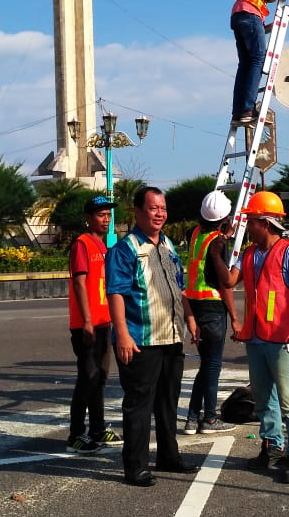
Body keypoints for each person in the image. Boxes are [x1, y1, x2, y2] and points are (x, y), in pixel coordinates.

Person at [106, 186, 200, 487]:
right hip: (140, 340)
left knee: (168, 402)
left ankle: (168, 456)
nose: (159, 213)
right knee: (139, 404)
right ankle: (135, 466)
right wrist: (122, 334)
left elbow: (179, 287)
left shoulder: (169, 246)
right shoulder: (126, 249)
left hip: (170, 336)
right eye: (153, 208)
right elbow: (116, 293)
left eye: (163, 208)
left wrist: (190, 318)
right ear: (137, 211)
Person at [227, 191, 289, 484]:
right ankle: (273, 446)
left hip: (281, 339)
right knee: (264, 399)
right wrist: (218, 249)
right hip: (257, 338)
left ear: (266, 222)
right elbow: (229, 281)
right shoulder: (250, 254)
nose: (248, 226)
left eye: (251, 221)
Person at [65, 195, 124, 454]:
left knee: (99, 378)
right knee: (87, 378)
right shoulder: (82, 244)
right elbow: (79, 282)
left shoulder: (103, 246)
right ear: (88, 218)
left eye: (108, 215)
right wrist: (87, 320)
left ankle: (98, 430)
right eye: (101, 214)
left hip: (103, 323)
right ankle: (76, 435)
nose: (106, 219)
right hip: (86, 325)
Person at [183, 191, 239, 436]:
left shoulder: (195, 234)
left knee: (206, 366)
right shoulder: (219, 244)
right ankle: (210, 419)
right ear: (226, 219)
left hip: (195, 306)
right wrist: (235, 318)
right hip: (214, 307)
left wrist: (223, 234)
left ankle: (192, 418)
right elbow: (225, 285)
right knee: (213, 366)